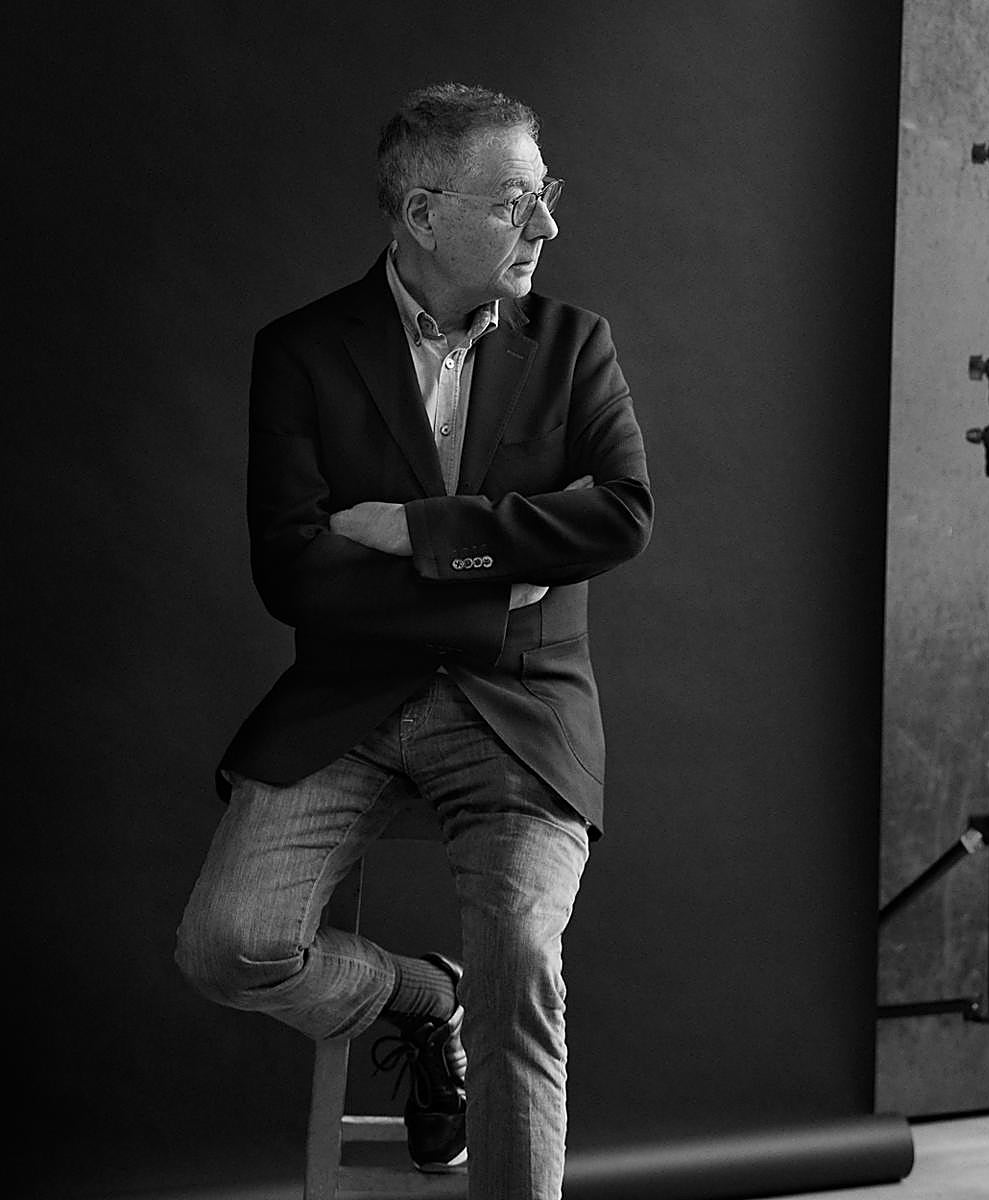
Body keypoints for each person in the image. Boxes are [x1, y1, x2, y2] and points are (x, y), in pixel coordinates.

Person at [175, 82, 652, 1200]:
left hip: (521, 707)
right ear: (423, 213)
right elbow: (291, 571)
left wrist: (416, 531)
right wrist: (504, 575)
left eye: (545, 194)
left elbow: (622, 516)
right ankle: (422, 999)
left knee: (521, 962)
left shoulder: (575, 343)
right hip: (347, 701)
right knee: (226, 946)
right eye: (516, 200)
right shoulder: (302, 350)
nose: (546, 225)